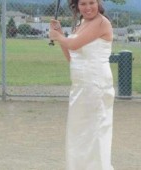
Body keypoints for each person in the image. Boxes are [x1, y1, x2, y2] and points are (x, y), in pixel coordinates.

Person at [49, 0, 115, 169]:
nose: (88, 8)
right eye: (83, 4)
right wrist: (60, 33)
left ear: (98, 2)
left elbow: (74, 43)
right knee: (79, 134)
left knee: (95, 134)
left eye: (91, 2)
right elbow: (72, 55)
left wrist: (58, 37)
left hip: (96, 85)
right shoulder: (81, 23)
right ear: (77, 6)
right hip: (80, 86)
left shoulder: (102, 22)